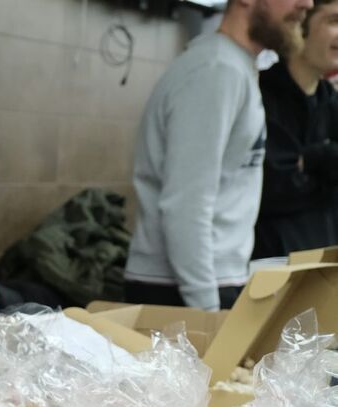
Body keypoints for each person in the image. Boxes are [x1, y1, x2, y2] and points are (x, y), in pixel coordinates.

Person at [124, 0, 313, 311]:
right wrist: (208, 310)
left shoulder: (234, 66)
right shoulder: (216, 69)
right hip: (183, 290)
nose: (306, 3)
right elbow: (186, 202)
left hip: (206, 281)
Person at [255, 0, 338, 258]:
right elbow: (273, 188)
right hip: (269, 267)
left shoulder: (331, 102)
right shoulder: (262, 95)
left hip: (323, 269)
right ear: (299, 27)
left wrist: (316, 158)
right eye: (333, 21)